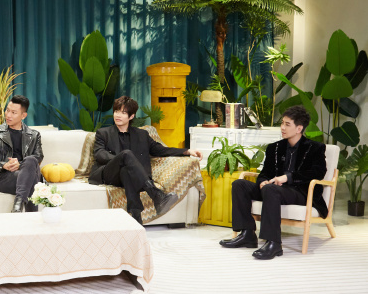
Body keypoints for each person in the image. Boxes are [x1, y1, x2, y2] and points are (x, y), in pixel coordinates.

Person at [222, 105, 327, 260]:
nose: (282, 127)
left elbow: (317, 172)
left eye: (287, 124)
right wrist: (263, 181)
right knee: (240, 184)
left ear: (299, 128)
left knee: (271, 189)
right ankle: (247, 234)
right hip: (273, 190)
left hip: (300, 192)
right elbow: (265, 172)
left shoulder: (314, 148)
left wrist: (287, 177)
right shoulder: (275, 148)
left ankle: (274, 243)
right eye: (282, 123)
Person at [89, 96, 202, 224]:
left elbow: (160, 150)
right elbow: (99, 154)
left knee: (126, 171)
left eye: (123, 112)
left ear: (131, 116)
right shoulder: (103, 133)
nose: (118, 115)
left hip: (129, 175)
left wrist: (187, 151)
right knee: (126, 155)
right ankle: (155, 194)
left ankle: (136, 218)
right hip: (109, 173)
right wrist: (121, 158)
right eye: (116, 111)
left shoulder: (142, 135)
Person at [0, 95, 43, 213]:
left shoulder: (34, 135)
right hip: (4, 177)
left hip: (26, 173)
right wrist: (4, 165)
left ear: (23, 115)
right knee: (32, 180)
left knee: (31, 160)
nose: (8, 115)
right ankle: (30, 216)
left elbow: (38, 157)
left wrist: (20, 164)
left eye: (14, 112)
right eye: (7, 110)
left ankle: (17, 206)